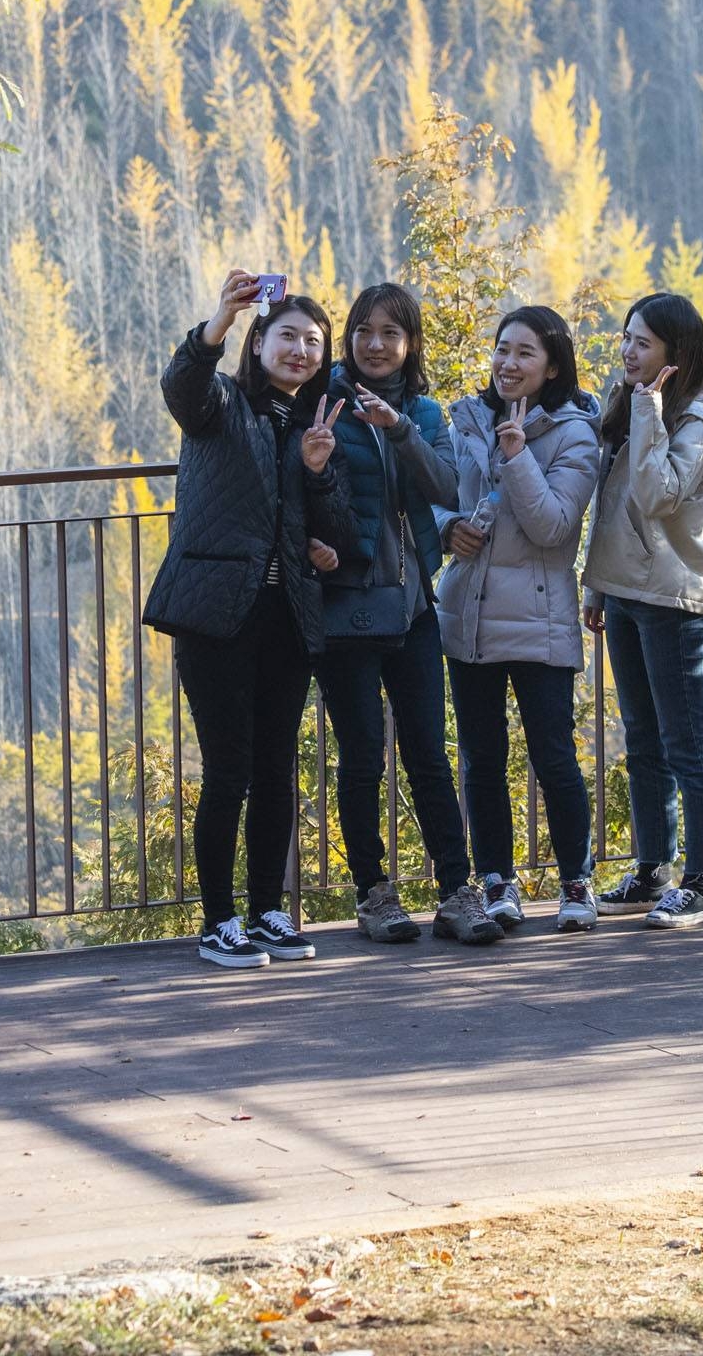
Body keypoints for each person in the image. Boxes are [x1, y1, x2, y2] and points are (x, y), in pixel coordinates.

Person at [140, 269, 349, 969]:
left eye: (314, 342)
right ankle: (218, 921)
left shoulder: (318, 422)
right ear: (259, 343)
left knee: (275, 767)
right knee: (229, 769)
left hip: (285, 616)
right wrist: (215, 325)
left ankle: (266, 911)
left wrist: (318, 473)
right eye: (288, 336)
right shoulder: (222, 403)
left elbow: (334, 532)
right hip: (216, 614)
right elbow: (183, 388)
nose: (301, 350)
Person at [313, 282, 472, 945]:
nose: (375, 344)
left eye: (391, 333)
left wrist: (399, 430)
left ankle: (458, 894)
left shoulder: (426, 414)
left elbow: (444, 485)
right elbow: (301, 487)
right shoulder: (321, 404)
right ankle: (374, 894)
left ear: (410, 344)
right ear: (348, 338)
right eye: (363, 331)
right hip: (344, 605)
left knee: (430, 756)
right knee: (358, 759)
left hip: (411, 609)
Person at [439, 305, 604, 937]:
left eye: (525, 353)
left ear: (553, 364)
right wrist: (445, 528)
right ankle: (496, 882)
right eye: (502, 349)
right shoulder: (468, 419)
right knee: (481, 757)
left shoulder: (575, 434)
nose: (508, 363)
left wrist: (516, 455)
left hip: (540, 620)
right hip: (471, 615)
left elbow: (555, 526)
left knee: (553, 756)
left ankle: (575, 882)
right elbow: (437, 499)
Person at [582, 292, 703, 930]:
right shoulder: (638, 401)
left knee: (684, 741)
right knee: (642, 740)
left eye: (641, 343)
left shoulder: (695, 416)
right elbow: (613, 499)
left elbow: (656, 496)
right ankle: (653, 871)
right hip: (626, 591)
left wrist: (647, 409)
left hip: (672, 598)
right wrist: (597, 586)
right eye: (626, 339)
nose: (627, 351)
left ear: (676, 352)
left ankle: (702, 878)